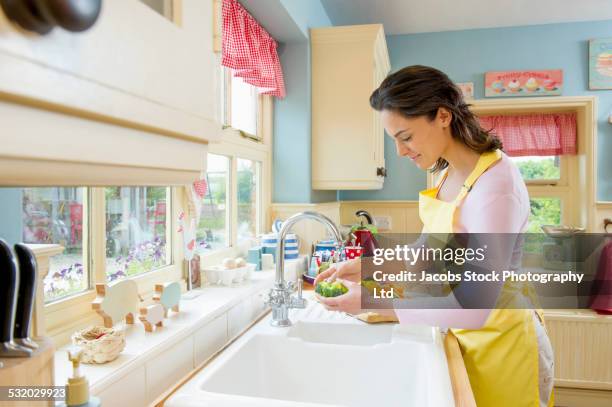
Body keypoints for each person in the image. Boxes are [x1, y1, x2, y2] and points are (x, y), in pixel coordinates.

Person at [314, 65, 554, 407]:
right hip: (461, 335)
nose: (400, 152)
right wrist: (368, 268)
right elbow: (429, 252)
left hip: (502, 343)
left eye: (406, 137)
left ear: (443, 116)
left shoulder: (495, 185)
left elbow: (475, 306)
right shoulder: (450, 173)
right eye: (393, 140)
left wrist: (372, 301)